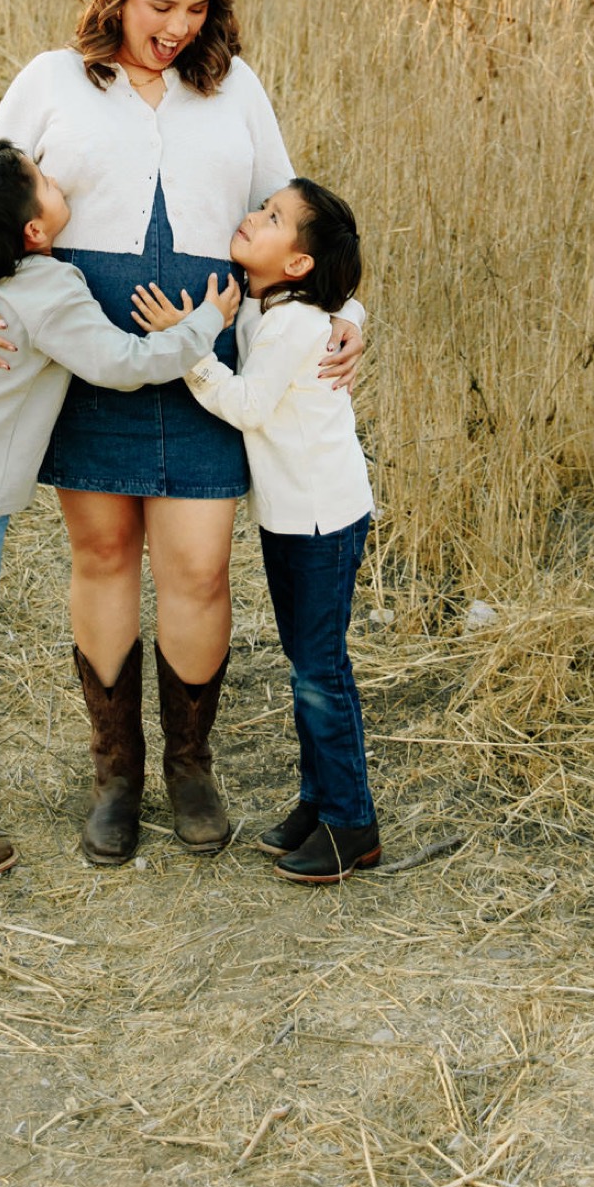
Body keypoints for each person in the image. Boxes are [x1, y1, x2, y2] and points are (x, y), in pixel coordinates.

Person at [0, 0, 365, 866]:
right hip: (83, 356)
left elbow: (303, 219)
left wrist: (349, 315)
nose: (174, 26)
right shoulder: (53, 79)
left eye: (195, 8)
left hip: (209, 363)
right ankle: (116, 772)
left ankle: (191, 766)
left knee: (201, 565)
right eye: (158, 5)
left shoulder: (234, 89)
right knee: (102, 554)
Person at [0, 139, 235, 884]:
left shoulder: (2, 280)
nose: (57, 177)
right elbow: (123, 366)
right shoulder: (48, 289)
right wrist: (204, 326)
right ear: (34, 232)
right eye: (44, 180)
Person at [134, 178, 380, 883]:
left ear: (298, 264)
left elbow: (246, 405)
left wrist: (185, 346)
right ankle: (319, 801)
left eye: (271, 218)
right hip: (292, 516)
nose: (252, 215)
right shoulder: (271, 302)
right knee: (310, 668)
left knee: (320, 674)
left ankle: (352, 823)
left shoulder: (295, 323)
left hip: (321, 520)